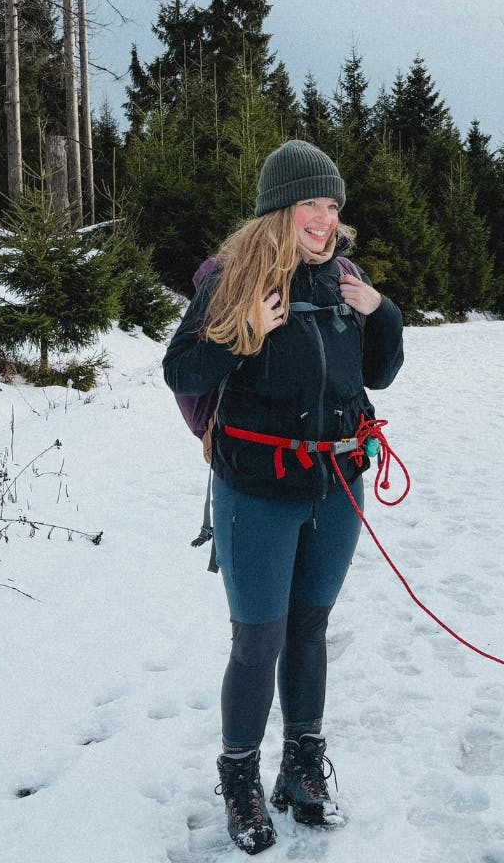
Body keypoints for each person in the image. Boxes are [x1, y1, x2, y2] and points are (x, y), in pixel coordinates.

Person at [163, 139, 405, 855]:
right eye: (312, 205)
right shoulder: (231, 278)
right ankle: (239, 775)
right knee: (259, 638)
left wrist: (381, 312)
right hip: (257, 492)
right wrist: (241, 335)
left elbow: (380, 375)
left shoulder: (346, 280)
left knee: (309, 629)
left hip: (336, 488)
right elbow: (180, 368)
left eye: (332, 207)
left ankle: (301, 768)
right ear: (279, 208)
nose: (325, 220)